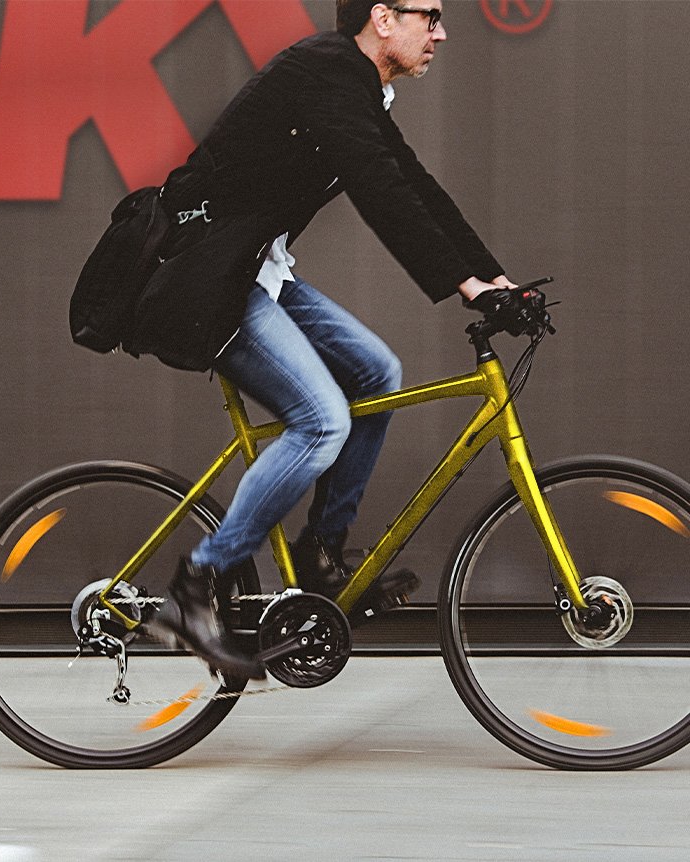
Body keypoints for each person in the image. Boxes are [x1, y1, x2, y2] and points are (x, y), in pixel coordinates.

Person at [146, 0, 528, 676]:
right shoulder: (326, 71)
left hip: (257, 270)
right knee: (320, 423)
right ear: (384, 18)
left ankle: (322, 555)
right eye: (430, 16)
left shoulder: (358, 89)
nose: (441, 32)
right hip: (208, 277)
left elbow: (417, 188)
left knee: (376, 372)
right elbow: (378, 190)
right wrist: (465, 287)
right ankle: (194, 587)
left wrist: (498, 281)